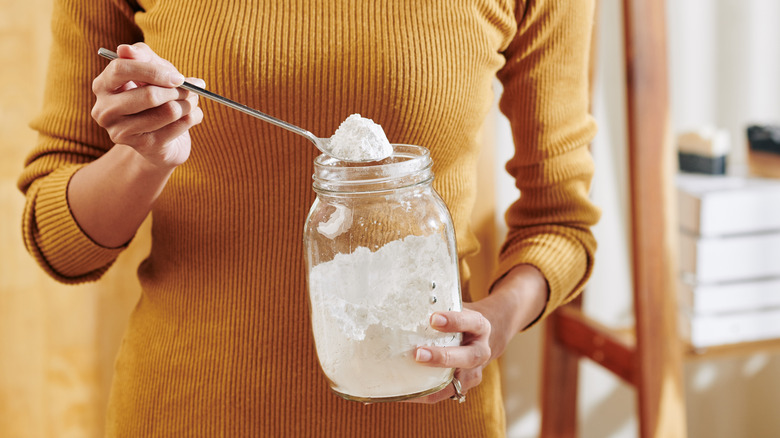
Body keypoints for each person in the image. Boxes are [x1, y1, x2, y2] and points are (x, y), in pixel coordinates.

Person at [18, 0, 600, 436]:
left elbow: (561, 221)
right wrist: (144, 159)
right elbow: (63, 247)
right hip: (191, 410)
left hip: (427, 416)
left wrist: (493, 322)